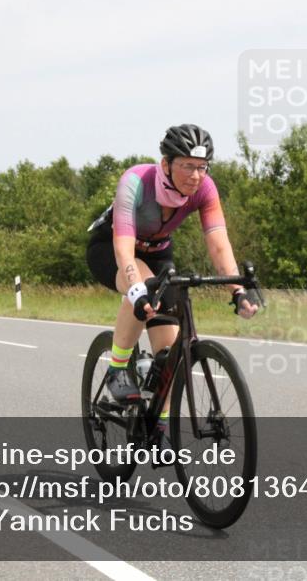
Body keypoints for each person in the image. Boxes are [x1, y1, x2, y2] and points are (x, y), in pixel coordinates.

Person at [86, 124, 258, 439]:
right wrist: (136, 288)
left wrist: (238, 290)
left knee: (170, 343)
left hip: (159, 254)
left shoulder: (205, 189)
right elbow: (124, 246)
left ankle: (159, 423)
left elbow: (218, 243)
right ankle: (117, 371)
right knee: (145, 286)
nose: (195, 175)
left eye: (201, 167)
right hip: (112, 248)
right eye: (187, 166)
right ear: (166, 164)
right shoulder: (136, 181)